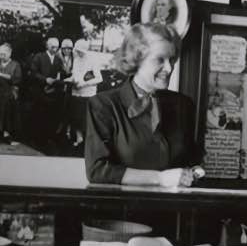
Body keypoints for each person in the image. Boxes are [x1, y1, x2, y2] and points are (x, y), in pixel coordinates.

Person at [84, 23, 203, 187]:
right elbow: (97, 170)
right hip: (125, 203)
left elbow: (192, 160)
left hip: (175, 203)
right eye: (160, 60)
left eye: (172, 59)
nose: (169, 68)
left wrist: (195, 171)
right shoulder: (103, 106)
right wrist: (160, 179)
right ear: (136, 60)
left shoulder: (183, 105)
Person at [28, 36, 66, 149]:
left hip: (52, 93)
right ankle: (36, 140)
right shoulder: (39, 57)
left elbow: (61, 74)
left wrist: (58, 80)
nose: (54, 49)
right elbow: (33, 73)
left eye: (56, 47)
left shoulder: (58, 60)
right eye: (52, 47)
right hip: (39, 93)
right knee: (39, 116)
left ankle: (46, 139)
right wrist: (45, 79)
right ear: (47, 46)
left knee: (50, 117)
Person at [0, 43, 20, 144]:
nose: (1, 56)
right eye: (0, 54)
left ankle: (7, 134)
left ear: (10, 53)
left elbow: (16, 79)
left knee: (6, 104)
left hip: (9, 92)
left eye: (3, 54)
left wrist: (1, 74)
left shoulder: (15, 65)